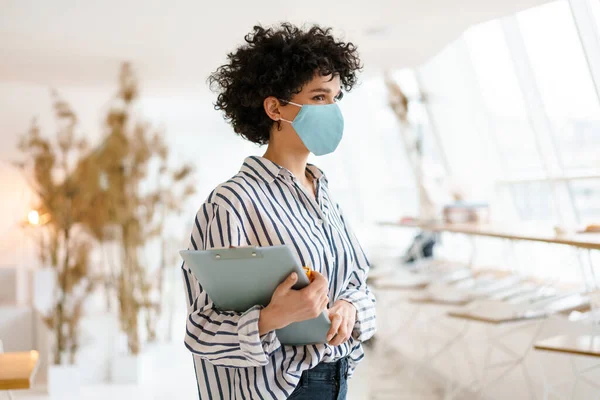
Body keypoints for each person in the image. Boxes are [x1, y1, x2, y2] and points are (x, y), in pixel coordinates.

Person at [181, 23, 376, 400]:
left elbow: (358, 284)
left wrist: (349, 307)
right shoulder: (233, 202)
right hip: (281, 390)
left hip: (336, 378)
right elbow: (201, 330)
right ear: (275, 108)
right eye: (319, 98)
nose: (332, 110)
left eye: (336, 97)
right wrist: (275, 316)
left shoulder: (324, 195)